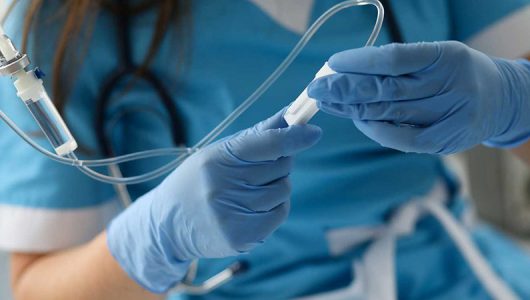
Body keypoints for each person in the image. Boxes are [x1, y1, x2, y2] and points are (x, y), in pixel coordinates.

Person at [1, 0, 530, 299]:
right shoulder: (54, 31)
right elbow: (36, 289)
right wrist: (150, 242)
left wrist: (512, 100)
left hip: (449, 276)